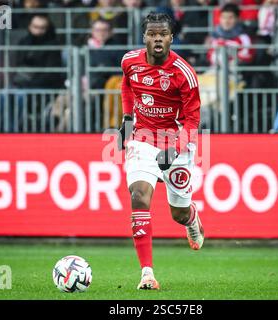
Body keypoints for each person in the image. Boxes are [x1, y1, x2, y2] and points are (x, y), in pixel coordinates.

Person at [117, 12, 204, 290]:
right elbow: (126, 86)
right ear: (144, 37)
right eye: (152, 34)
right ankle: (147, 273)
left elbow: (192, 120)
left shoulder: (184, 73)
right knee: (139, 196)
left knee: (176, 214)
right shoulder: (130, 61)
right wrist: (127, 119)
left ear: (171, 38)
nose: (157, 38)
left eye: (162, 34)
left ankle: (191, 217)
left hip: (176, 141)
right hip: (142, 139)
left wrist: (175, 149)